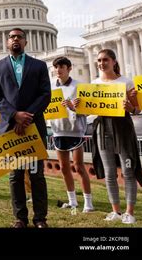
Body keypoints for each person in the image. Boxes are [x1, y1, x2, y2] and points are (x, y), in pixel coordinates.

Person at [0, 28, 51, 228]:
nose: (15, 39)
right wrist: (15, 115)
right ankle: (20, 218)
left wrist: (27, 116)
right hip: (10, 128)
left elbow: (45, 94)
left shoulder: (39, 66)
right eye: (12, 37)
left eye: (19, 37)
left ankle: (40, 218)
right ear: (7, 42)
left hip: (33, 126)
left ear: (26, 42)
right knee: (15, 176)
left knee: (37, 175)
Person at [91, 49, 142, 224]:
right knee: (109, 172)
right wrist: (76, 106)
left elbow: (137, 110)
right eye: (99, 60)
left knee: (128, 171)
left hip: (123, 129)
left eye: (105, 59)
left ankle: (129, 212)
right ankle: (116, 211)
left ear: (114, 61)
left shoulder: (126, 82)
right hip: (102, 128)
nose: (101, 63)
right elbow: (89, 109)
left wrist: (130, 106)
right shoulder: (94, 83)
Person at [49, 57, 93, 212]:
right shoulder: (50, 88)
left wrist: (74, 108)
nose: (58, 70)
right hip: (58, 130)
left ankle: (88, 202)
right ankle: (72, 201)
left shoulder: (79, 86)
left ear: (69, 68)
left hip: (75, 131)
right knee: (63, 167)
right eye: (56, 67)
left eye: (61, 66)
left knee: (79, 167)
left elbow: (88, 111)